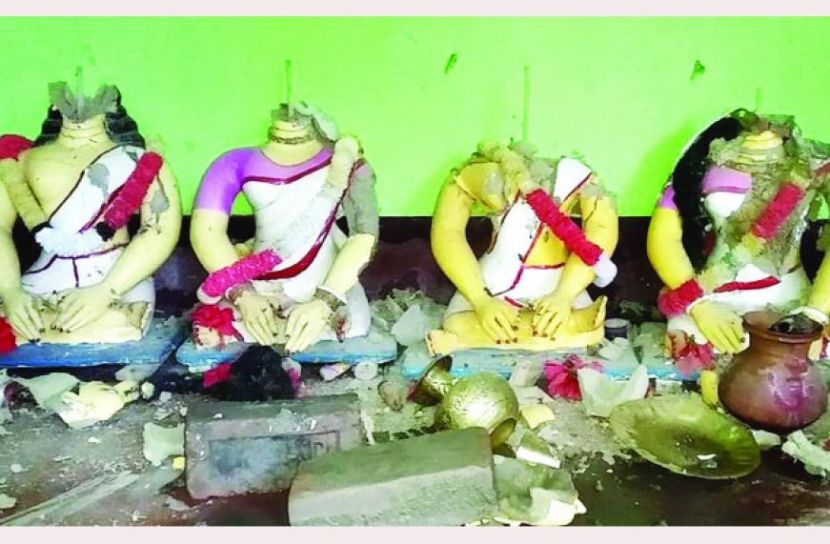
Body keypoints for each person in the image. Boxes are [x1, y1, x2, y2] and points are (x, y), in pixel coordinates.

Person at [647, 109, 830, 374]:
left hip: (790, 295)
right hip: (711, 296)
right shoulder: (704, 160)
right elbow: (664, 239)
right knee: (697, 351)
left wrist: (815, 313)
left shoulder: (810, 164)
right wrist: (699, 306)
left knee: (797, 363)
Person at [0, 82, 181, 346]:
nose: (81, 105)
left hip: (115, 276)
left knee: (121, 322)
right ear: (54, 106)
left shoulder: (140, 159)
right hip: (43, 276)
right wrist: (11, 292)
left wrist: (105, 292)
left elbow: (158, 230)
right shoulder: (20, 161)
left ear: (113, 106)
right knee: (12, 320)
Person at [189, 102, 378, 354]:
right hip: (256, 282)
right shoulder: (234, 161)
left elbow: (364, 236)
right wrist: (243, 294)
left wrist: (326, 300)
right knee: (216, 325)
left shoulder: (348, 162)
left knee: (354, 323)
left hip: (327, 280)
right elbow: (207, 232)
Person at [427, 141, 618, 356]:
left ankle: (464, 340)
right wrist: (481, 301)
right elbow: (448, 233)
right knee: (456, 324)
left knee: (592, 332)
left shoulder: (581, 178)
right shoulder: (481, 174)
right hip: (492, 283)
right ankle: (569, 329)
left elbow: (600, 232)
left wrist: (564, 295)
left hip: (560, 283)